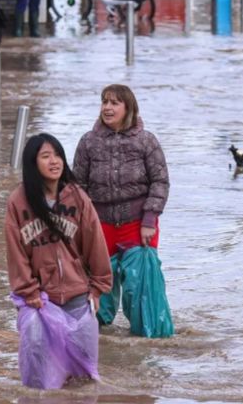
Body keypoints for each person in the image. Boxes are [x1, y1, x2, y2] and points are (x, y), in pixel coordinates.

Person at [5, 134, 113, 380]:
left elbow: (95, 242)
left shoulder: (77, 197)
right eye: (46, 156)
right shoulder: (18, 202)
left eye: (57, 155)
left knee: (84, 378)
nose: (54, 161)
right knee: (39, 379)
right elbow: (15, 252)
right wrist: (29, 291)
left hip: (77, 297)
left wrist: (97, 288)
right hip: (41, 302)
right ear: (33, 164)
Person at [72, 84, 170, 326]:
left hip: (138, 226)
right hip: (99, 226)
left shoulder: (146, 141)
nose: (107, 107)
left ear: (128, 108)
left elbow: (160, 182)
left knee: (142, 293)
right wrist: (82, 226)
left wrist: (149, 220)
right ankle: (102, 347)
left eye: (114, 103)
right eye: (104, 102)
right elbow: (78, 188)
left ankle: (147, 345)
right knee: (96, 295)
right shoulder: (88, 142)